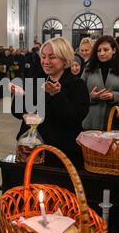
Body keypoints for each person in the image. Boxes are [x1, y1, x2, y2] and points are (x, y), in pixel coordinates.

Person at [11, 37, 90, 168]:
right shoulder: (35, 80)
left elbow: (74, 118)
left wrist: (57, 95)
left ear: (65, 60)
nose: (46, 61)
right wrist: (19, 95)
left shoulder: (77, 85)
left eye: (52, 57)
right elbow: (18, 113)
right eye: (43, 56)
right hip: (30, 149)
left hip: (61, 153)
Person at [81, 36, 119, 130]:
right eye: (98, 50)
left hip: (114, 122)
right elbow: (78, 93)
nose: (101, 53)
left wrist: (114, 96)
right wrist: (91, 96)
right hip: (91, 122)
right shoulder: (88, 69)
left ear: (113, 50)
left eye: (106, 49)